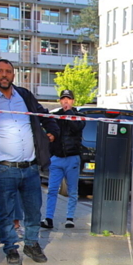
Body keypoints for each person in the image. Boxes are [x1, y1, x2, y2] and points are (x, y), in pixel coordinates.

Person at [0, 59, 59, 265]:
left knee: (34, 210)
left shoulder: (24, 96)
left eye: (8, 71)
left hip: (30, 168)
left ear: (13, 75)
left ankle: (31, 243)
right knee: (6, 213)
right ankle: (10, 249)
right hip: (3, 168)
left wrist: (52, 132)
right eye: (0, 71)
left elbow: (44, 115)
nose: (4, 75)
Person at [42, 89, 85, 229]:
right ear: (60, 101)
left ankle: (70, 218)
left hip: (72, 157)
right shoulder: (55, 116)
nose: (66, 101)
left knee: (72, 190)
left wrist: (69, 113)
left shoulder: (79, 115)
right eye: (63, 99)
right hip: (57, 158)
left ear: (73, 101)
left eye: (68, 99)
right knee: (52, 189)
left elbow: (76, 128)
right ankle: (48, 218)